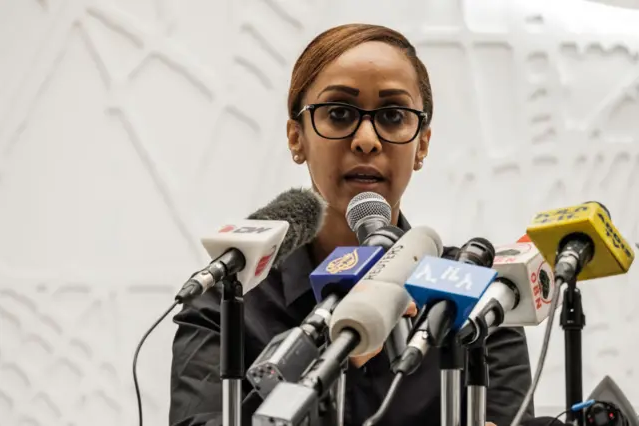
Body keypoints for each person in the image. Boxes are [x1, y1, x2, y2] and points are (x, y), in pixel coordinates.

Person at [169, 23, 534, 426]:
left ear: (422, 144)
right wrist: (327, 353)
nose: (366, 139)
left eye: (393, 116)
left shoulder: (477, 299)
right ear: (296, 137)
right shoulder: (229, 301)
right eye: (339, 114)